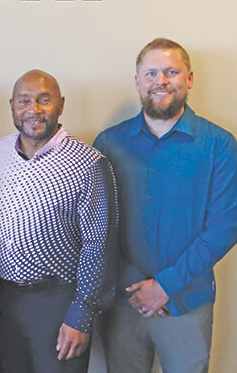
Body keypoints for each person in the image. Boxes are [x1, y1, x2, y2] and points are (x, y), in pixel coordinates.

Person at [94, 38, 237, 373]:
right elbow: (98, 226)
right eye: (152, 73)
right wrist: (136, 285)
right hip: (123, 301)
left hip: (188, 302)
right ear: (138, 82)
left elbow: (223, 228)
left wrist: (164, 287)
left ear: (189, 79)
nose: (161, 80)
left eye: (171, 72)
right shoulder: (108, 143)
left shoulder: (219, 145)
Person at [0, 69, 116, 373]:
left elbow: (99, 244)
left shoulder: (89, 162)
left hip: (59, 302)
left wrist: (81, 315)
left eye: (44, 100)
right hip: (3, 302)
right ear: (12, 106)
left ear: (61, 105)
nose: (34, 110)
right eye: (24, 101)